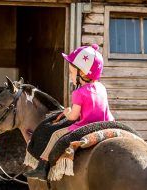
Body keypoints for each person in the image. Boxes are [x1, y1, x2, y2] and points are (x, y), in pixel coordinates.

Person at [24, 44, 114, 180]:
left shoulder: (78, 92)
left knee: (56, 135)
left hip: (85, 127)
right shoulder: (101, 87)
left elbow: (74, 116)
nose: (70, 76)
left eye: (72, 73)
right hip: (106, 124)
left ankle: (43, 168)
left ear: (82, 74)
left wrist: (67, 112)